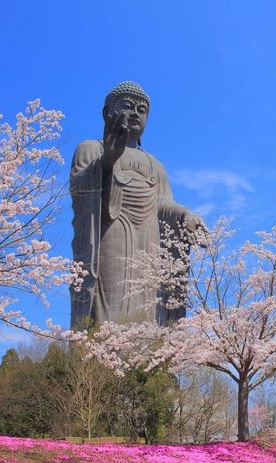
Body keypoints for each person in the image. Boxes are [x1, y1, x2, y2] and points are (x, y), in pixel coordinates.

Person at [70, 81, 201, 328]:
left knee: (150, 305)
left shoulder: (156, 165)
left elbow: (164, 204)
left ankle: (149, 357)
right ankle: (101, 356)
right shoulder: (90, 148)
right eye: (128, 107)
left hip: (150, 241)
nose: (135, 114)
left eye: (142, 110)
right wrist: (107, 163)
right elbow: (80, 188)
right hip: (110, 233)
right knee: (111, 298)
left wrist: (185, 216)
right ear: (107, 113)